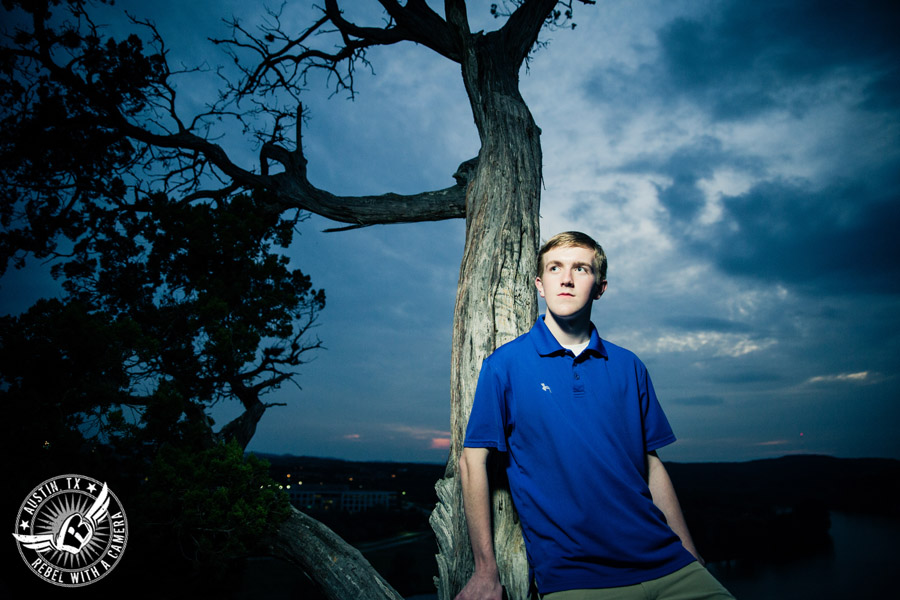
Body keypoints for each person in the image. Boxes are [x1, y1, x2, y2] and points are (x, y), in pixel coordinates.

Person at [456, 232, 734, 600]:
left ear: (600, 287)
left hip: (669, 565)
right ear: (541, 285)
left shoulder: (628, 365)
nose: (566, 278)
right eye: (555, 268)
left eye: (580, 268)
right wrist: (485, 571)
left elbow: (650, 465)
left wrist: (690, 553)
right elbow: (472, 460)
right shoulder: (504, 366)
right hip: (578, 578)